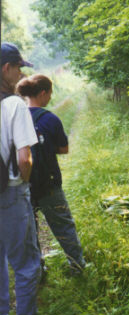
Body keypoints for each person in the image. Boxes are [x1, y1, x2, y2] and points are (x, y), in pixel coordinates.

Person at [16, 74, 86, 274]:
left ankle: (38, 271)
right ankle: (77, 266)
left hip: (24, 184)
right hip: (49, 184)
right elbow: (64, 149)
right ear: (43, 93)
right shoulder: (50, 119)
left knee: (30, 231)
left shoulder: (15, 118)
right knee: (63, 226)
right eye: (50, 93)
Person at [0, 43, 41, 315]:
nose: (20, 74)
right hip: (11, 193)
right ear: (6, 68)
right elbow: (24, 158)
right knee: (26, 264)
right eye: (18, 68)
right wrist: (25, 184)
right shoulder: (14, 105)